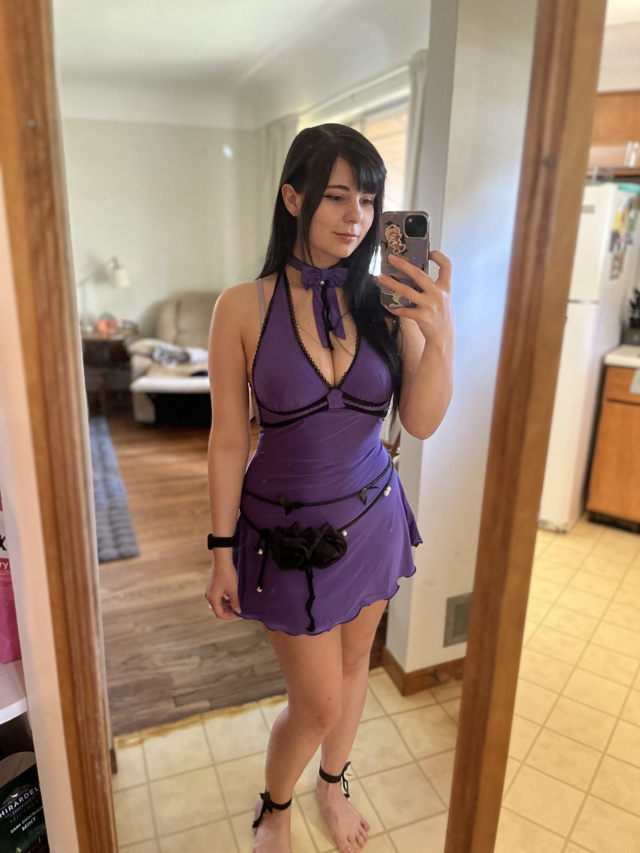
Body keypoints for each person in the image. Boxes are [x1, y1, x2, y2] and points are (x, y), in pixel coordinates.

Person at [204, 123, 454, 853]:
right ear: (293, 198)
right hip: (285, 535)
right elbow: (227, 440)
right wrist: (220, 549)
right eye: (338, 196)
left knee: (352, 669)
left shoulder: (386, 302)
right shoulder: (241, 307)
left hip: (374, 516)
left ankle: (333, 782)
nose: (356, 217)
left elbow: (421, 421)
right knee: (314, 703)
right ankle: (276, 805)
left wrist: (440, 335)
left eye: (368, 200)